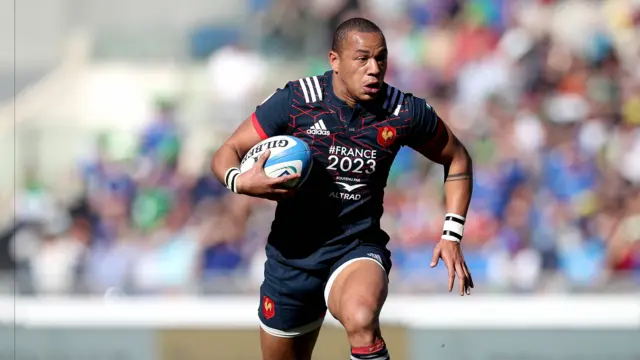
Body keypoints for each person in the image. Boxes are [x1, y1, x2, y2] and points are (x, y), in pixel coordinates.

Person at [211, 17, 474, 360]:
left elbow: (457, 158)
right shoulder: (297, 100)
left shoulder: (402, 110)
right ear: (334, 60)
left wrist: (451, 234)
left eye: (381, 59)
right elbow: (226, 153)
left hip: (356, 246)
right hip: (292, 257)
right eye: (362, 59)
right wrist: (239, 180)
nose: (374, 69)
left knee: (362, 319)